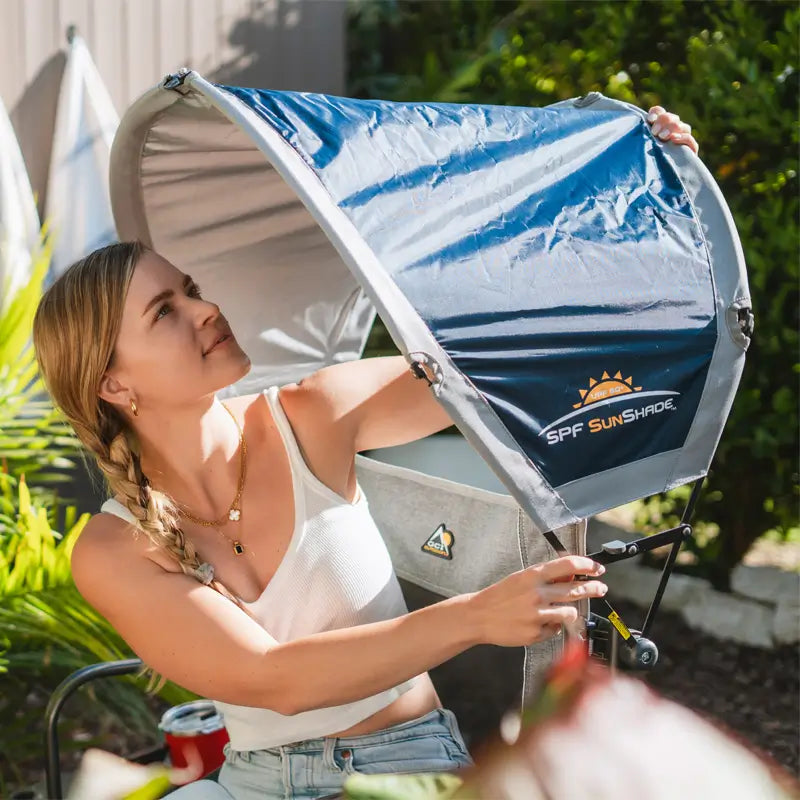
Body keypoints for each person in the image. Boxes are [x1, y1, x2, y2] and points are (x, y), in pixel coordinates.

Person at [32, 108, 698, 800]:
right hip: (255, 785)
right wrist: (474, 617)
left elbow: (498, 364)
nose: (206, 310)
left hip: (409, 766)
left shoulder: (314, 413)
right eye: (164, 311)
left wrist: (633, 203)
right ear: (114, 385)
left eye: (192, 290)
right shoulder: (112, 551)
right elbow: (272, 679)